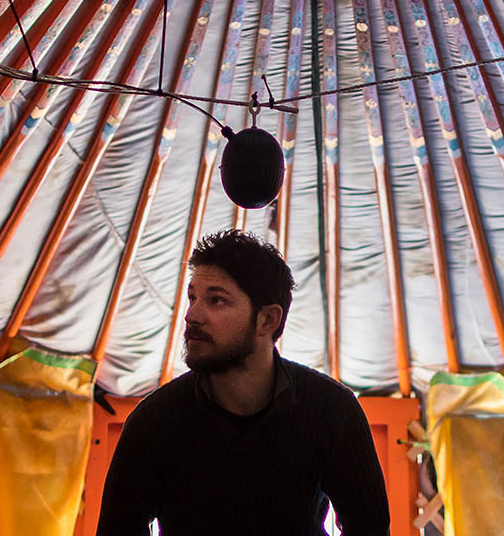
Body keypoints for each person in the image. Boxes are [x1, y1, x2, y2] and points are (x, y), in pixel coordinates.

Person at [95, 229, 389, 536]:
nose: (192, 315)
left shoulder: (330, 410)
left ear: (268, 321)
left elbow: (370, 528)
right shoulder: (153, 422)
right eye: (192, 297)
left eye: (216, 300)